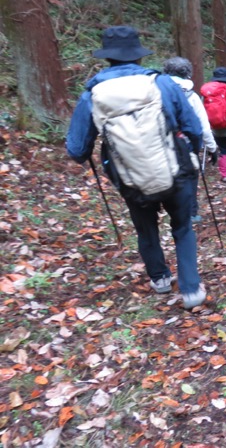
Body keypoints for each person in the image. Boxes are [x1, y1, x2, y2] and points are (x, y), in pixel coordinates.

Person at [66, 26, 207, 309]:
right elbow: (194, 129)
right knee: (182, 228)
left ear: (107, 58)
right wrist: (191, 149)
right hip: (175, 171)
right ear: (139, 56)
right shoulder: (164, 84)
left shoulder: (92, 94)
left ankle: (160, 279)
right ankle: (191, 290)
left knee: (146, 230)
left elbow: (77, 150)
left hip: (130, 178)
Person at [163, 57, 217, 224]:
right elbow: (202, 126)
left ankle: (170, 209)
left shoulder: (156, 89)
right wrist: (212, 148)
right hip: (186, 144)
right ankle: (191, 212)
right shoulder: (191, 95)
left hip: (161, 143)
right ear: (187, 73)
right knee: (190, 176)